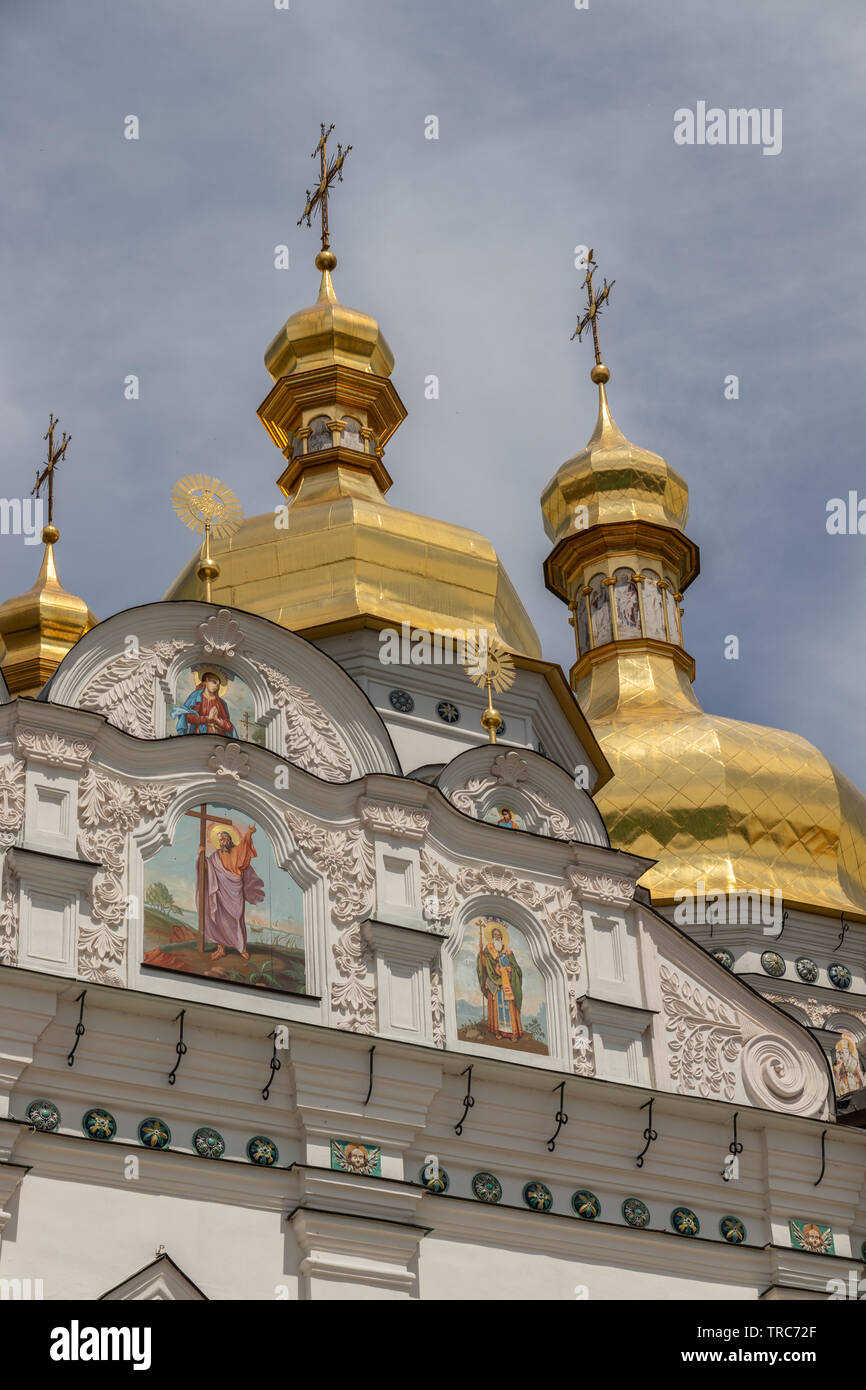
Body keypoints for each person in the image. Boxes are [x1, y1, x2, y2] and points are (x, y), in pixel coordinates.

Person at [197, 823, 264, 962]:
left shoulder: (237, 850)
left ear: (229, 839)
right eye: (219, 840)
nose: (221, 842)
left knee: (236, 917)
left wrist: (249, 833)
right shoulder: (215, 856)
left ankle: (241, 948)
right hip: (219, 890)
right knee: (217, 916)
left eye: (223, 838)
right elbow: (207, 868)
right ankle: (220, 948)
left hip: (234, 889)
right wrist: (201, 856)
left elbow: (245, 846)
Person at [477, 923, 523, 1040]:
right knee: (497, 1005)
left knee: (510, 1006)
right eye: (495, 935)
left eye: (499, 935)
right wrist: (482, 955)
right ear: (492, 937)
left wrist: (510, 970)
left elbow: (517, 968)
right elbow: (484, 963)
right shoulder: (489, 949)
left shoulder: (508, 952)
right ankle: (497, 1031)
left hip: (507, 982)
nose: (497, 937)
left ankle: (513, 1033)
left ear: (502, 937)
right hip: (495, 981)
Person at [172, 671, 236, 736]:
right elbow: (188, 717)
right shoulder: (197, 696)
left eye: (218, 684)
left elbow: (229, 726)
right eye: (214, 682)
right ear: (205, 681)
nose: (216, 686)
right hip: (200, 734)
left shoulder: (220, 702)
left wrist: (218, 721)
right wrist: (208, 718)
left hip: (218, 736)